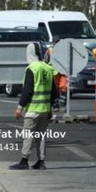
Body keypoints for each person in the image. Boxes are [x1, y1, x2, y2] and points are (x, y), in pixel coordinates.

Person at [9, 42, 57, 170]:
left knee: (28, 135)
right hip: (45, 110)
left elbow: (27, 91)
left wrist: (19, 107)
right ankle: (41, 162)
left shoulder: (31, 69)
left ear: (29, 53)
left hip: (32, 110)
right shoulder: (48, 68)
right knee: (41, 136)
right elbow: (54, 92)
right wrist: (50, 108)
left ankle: (24, 161)